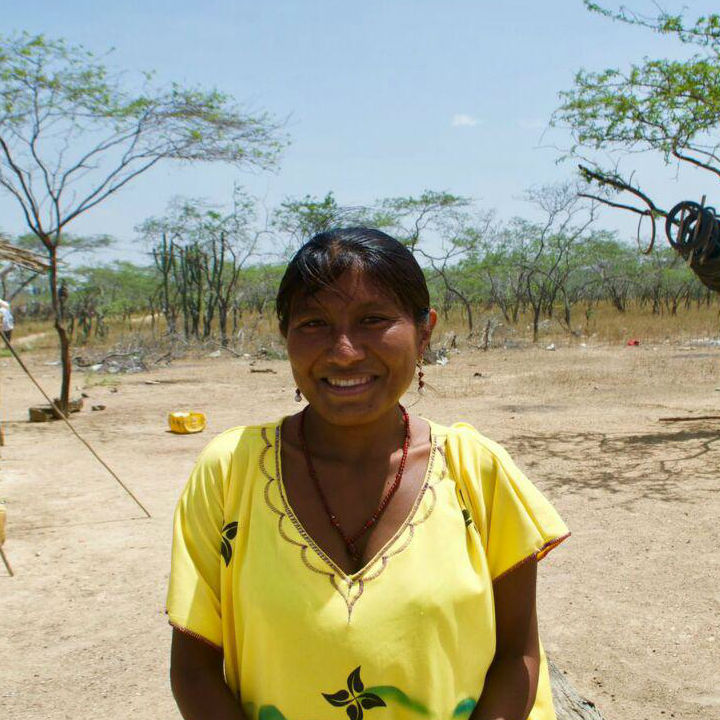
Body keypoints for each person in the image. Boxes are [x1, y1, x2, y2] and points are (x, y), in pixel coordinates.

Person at [167, 227, 569, 720]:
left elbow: (517, 655)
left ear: (424, 332)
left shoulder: (477, 470)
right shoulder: (230, 472)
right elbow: (195, 669)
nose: (344, 351)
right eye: (314, 323)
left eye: (373, 320)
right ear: (285, 335)